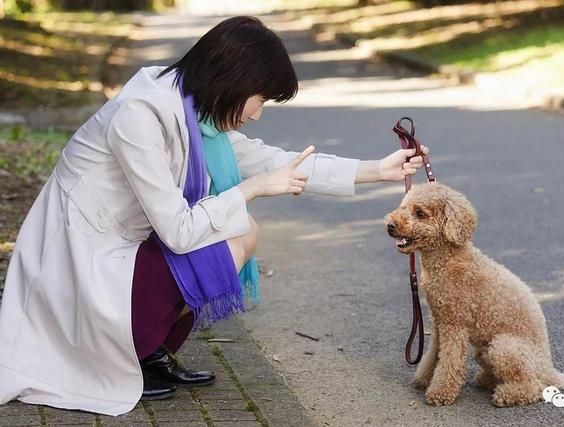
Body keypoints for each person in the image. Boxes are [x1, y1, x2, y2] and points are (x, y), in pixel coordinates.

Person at [0, 16, 427, 416]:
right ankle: (127, 352)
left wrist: (376, 170)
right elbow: (179, 231)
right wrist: (252, 189)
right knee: (233, 232)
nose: (257, 113)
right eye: (259, 98)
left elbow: (269, 160)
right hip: (78, 277)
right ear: (232, 79)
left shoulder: (194, 113)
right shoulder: (140, 115)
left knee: (242, 230)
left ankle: (147, 351)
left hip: (118, 254)